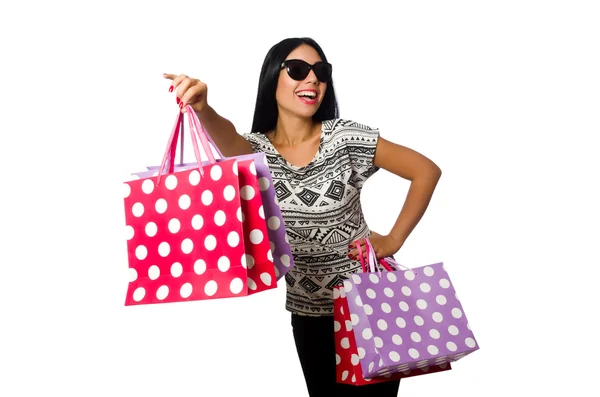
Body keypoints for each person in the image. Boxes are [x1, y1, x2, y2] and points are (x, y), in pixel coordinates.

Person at [164, 37, 442, 397]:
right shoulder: (256, 152)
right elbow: (228, 139)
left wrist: (393, 239)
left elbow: (425, 171)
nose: (312, 80)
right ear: (272, 79)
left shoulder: (345, 139)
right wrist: (203, 108)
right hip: (308, 316)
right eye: (298, 70)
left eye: (321, 72)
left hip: (369, 308)